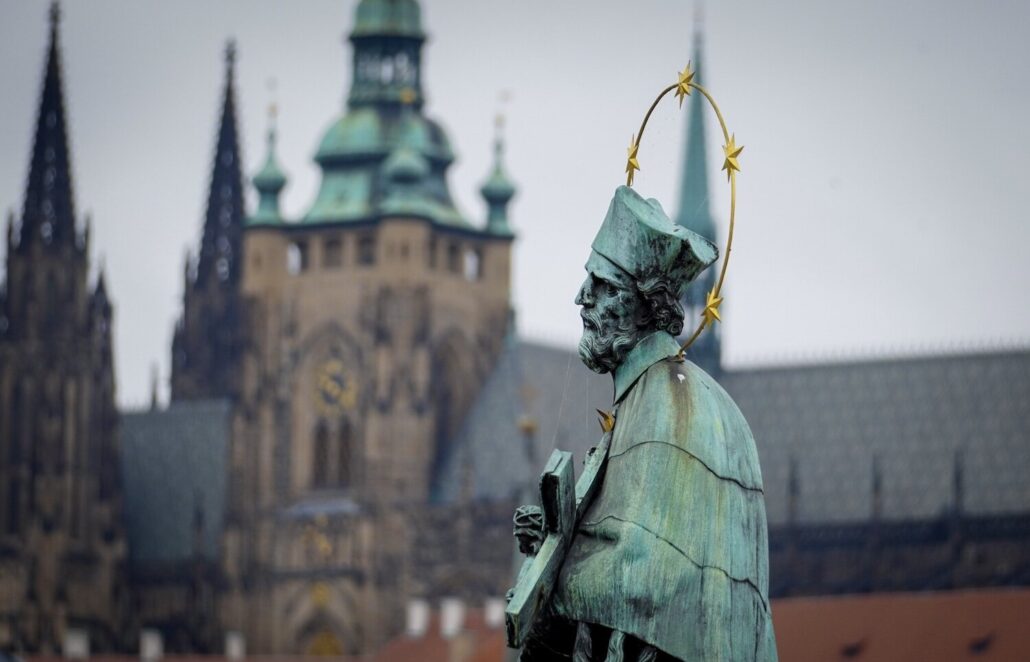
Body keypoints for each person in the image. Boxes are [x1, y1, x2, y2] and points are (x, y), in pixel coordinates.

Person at [516, 186, 777, 661]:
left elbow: (647, 576)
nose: (580, 299)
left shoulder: (670, 403)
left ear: (640, 303)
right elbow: (637, 538)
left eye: (598, 286)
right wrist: (555, 536)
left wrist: (554, 565)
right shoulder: (662, 395)